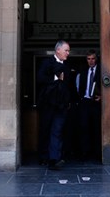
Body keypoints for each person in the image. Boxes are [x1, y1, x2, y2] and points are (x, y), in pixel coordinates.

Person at [36, 40, 71, 170]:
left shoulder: (67, 66)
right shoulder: (47, 63)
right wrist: (56, 78)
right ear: (58, 50)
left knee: (57, 131)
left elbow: (68, 87)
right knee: (45, 130)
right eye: (66, 50)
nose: (68, 53)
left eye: (68, 51)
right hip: (47, 105)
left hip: (61, 106)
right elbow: (40, 78)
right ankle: (43, 157)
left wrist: (68, 102)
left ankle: (54, 159)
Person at [75, 50, 101, 161]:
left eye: (93, 58)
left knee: (96, 127)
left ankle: (98, 153)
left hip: (96, 102)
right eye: (88, 59)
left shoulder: (102, 70)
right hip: (84, 102)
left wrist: (102, 97)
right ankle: (84, 152)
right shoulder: (83, 70)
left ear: (96, 59)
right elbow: (77, 85)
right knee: (83, 127)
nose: (91, 61)